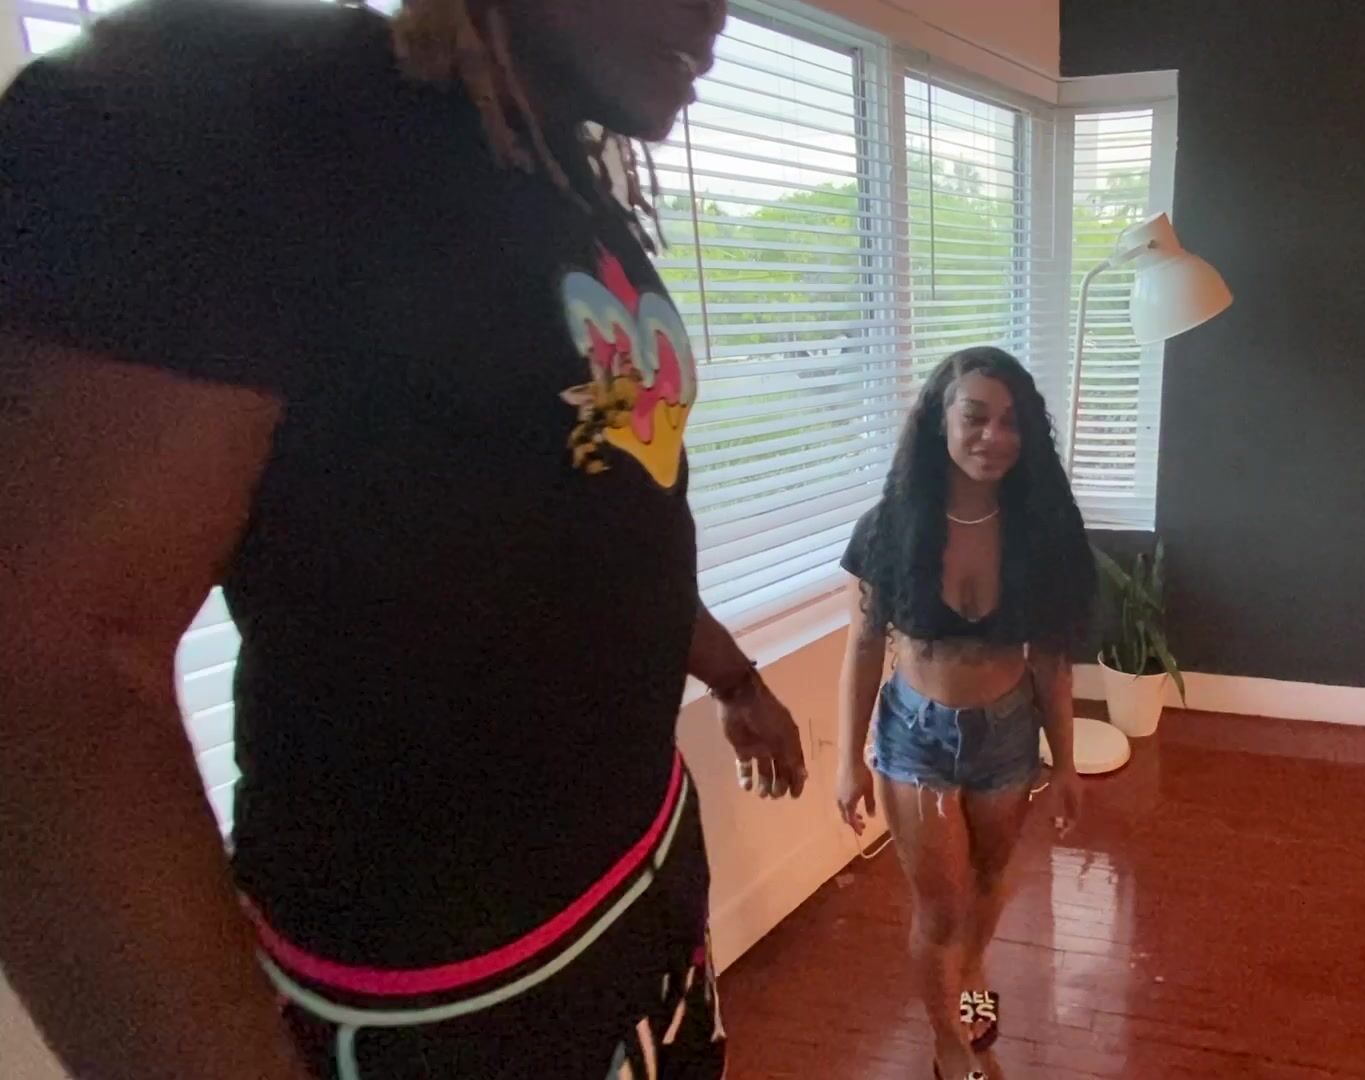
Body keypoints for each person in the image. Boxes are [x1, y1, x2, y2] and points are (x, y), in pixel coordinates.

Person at [0, 1, 813, 1078]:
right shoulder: (260, 109)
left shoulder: (568, 180)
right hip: (442, 999)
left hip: (646, 879)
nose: (713, 12)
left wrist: (734, 677)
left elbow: (604, 516)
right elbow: (55, 674)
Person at [836, 347, 1095, 1080]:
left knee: (988, 879)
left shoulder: (1042, 529)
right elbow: (863, 646)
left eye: (1011, 422)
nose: (993, 436)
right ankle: (950, 1044)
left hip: (1008, 732)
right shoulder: (888, 527)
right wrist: (846, 761)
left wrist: (1066, 764)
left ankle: (973, 973)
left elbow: (1051, 660)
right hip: (915, 737)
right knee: (942, 910)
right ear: (940, 422)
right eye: (975, 417)